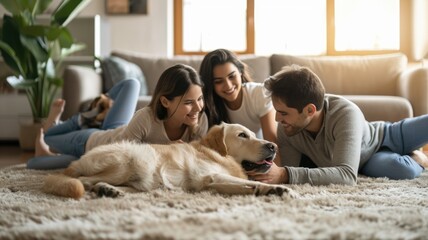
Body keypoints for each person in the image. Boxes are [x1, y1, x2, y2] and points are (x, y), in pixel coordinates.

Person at [249, 64, 428, 185]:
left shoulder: (345, 113)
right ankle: (418, 158)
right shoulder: (288, 128)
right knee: (401, 169)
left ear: (310, 110)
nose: (276, 120)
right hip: (366, 161)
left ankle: (408, 147)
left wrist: (284, 174)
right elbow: (347, 175)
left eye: (283, 113)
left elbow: (344, 177)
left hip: (387, 135)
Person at [27, 64, 208, 170]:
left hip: (115, 134)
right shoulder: (146, 117)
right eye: (188, 102)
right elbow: (124, 153)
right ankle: (84, 117)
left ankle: (44, 152)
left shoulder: (200, 121)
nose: (198, 107)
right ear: (165, 102)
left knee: (48, 163)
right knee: (49, 137)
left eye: (200, 99)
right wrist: (166, 148)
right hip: (92, 144)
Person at [199, 48, 277, 144]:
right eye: (219, 81)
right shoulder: (207, 105)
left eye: (232, 76)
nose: (228, 86)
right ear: (210, 84)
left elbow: (272, 143)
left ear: (240, 72)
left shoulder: (259, 93)